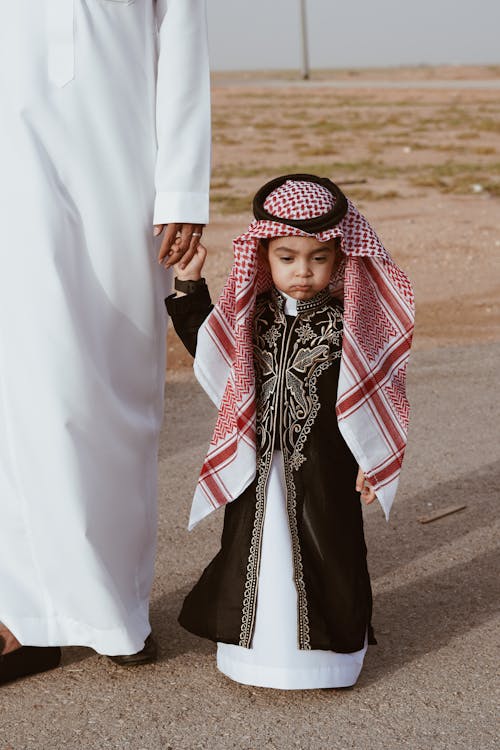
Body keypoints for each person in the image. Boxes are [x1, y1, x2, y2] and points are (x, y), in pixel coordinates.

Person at [0, 0, 210, 684]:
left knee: (112, 389)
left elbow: (182, 38)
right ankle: (23, 616)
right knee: (27, 379)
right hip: (15, 161)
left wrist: (182, 186)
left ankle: (114, 610)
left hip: (122, 174)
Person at [165, 174, 414, 690]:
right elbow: (212, 350)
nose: (303, 271)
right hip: (257, 466)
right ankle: (251, 659)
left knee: (333, 553)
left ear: (341, 258)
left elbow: (378, 395)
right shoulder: (251, 315)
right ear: (262, 255)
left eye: (319, 258)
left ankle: (329, 664)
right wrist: (190, 287)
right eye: (287, 257)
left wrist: (374, 459)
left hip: (326, 468)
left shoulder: (353, 322)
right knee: (251, 552)